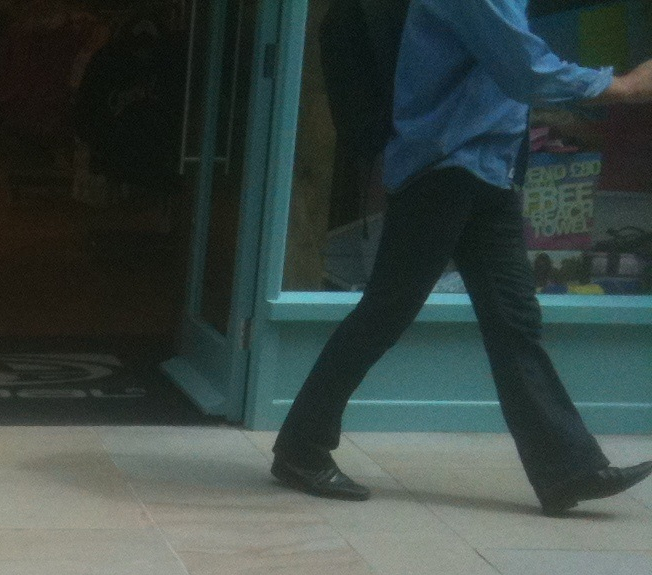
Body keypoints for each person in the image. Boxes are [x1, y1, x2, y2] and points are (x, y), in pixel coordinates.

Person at [272, 0, 652, 515]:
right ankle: (300, 446)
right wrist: (625, 87)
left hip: (486, 169)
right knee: (387, 311)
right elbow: (525, 67)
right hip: (443, 166)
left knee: (513, 320)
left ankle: (568, 470)